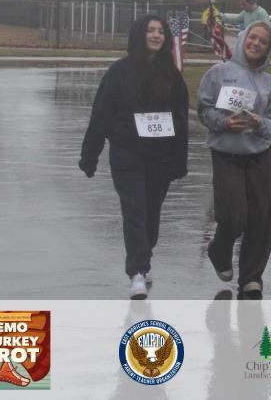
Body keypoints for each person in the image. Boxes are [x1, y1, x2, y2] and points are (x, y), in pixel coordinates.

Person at [79, 15, 189, 299]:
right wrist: (90, 155)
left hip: (160, 157)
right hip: (127, 153)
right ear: (139, 35)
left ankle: (144, 256)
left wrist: (180, 159)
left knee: (151, 213)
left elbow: (180, 120)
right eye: (150, 30)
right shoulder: (119, 72)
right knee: (135, 210)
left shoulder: (172, 75)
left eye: (161, 31)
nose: (156, 35)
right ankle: (137, 272)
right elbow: (101, 113)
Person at [197, 21, 271, 300]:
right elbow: (204, 109)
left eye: (263, 42)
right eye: (253, 37)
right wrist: (224, 122)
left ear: (268, 49)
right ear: (244, 38)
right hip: (227, 154)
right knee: (234, 215)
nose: (256, 44)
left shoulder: (269, 82)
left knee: (260, 218)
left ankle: (251, 277)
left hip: (260, 155)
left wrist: (258, 123)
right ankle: (219, 248)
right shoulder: (219, 73)